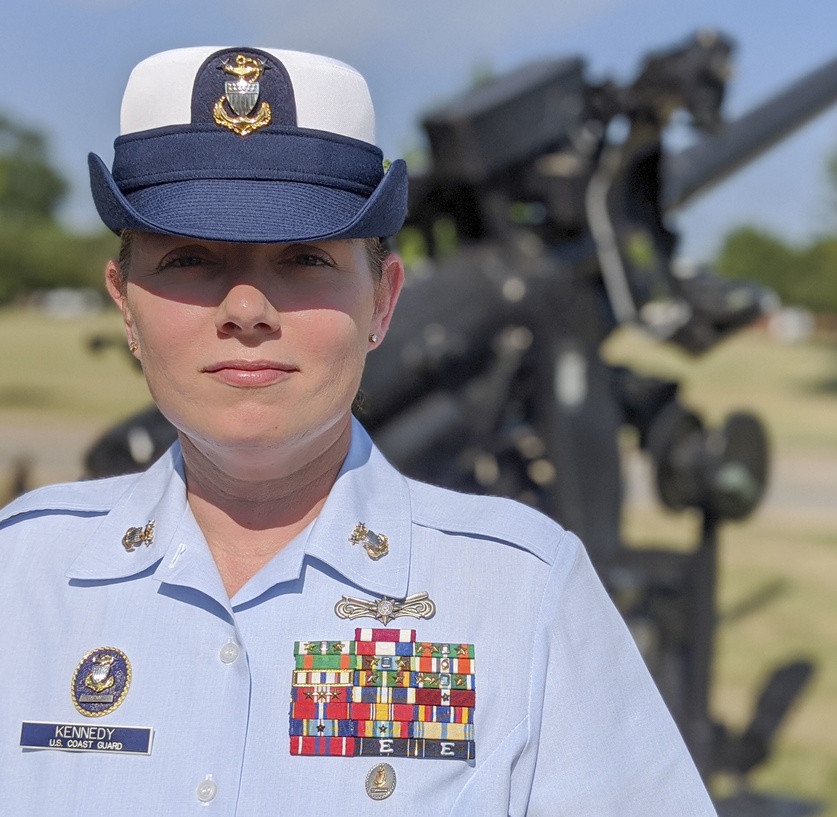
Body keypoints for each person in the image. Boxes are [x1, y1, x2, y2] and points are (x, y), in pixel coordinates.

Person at [0, 46, 716, 815]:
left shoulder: (521, 597)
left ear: (383, 300)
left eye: (304, 258)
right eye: (189, 258)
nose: (246, 308)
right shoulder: (22, 578)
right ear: (124, 303)